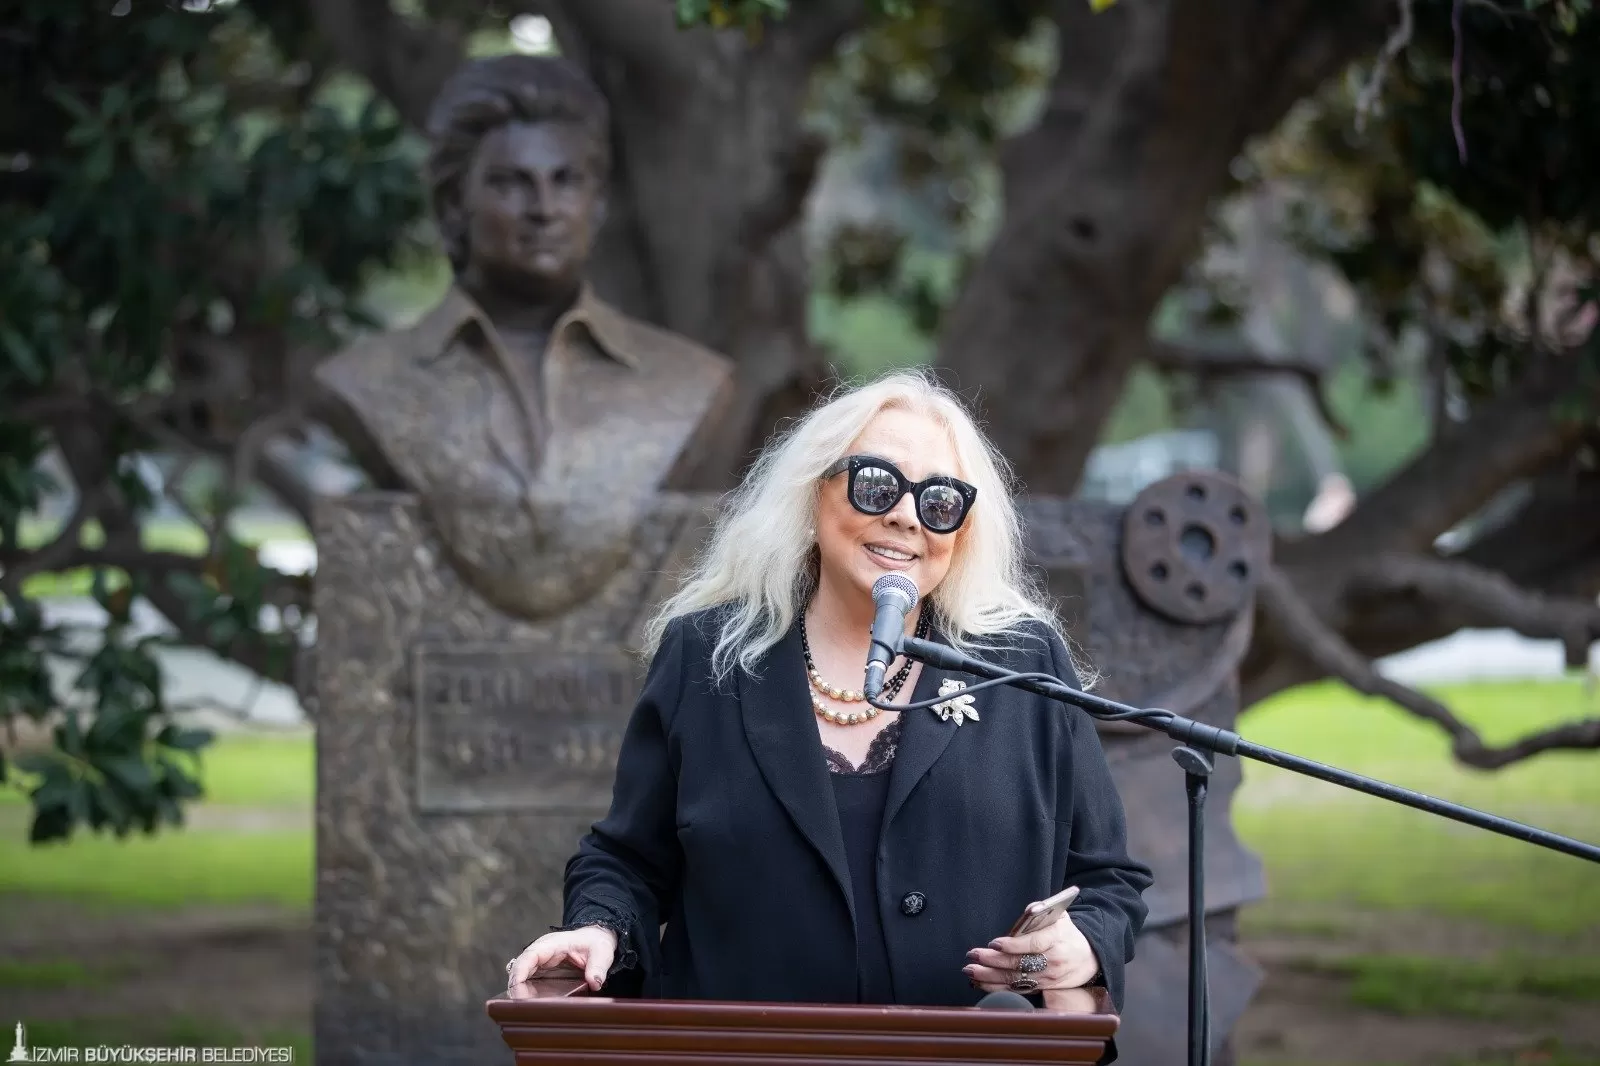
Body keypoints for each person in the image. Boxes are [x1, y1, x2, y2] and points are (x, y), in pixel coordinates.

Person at [505, 369, 1152, 1030]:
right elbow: (627, 861)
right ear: (815, 495)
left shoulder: (1022, 664)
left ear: (962, 530)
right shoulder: (704, 656)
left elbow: (1108, 879)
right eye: (877, 485)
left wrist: (1080, 947)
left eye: (939, 501)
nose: (905, 514)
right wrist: (602, 931)